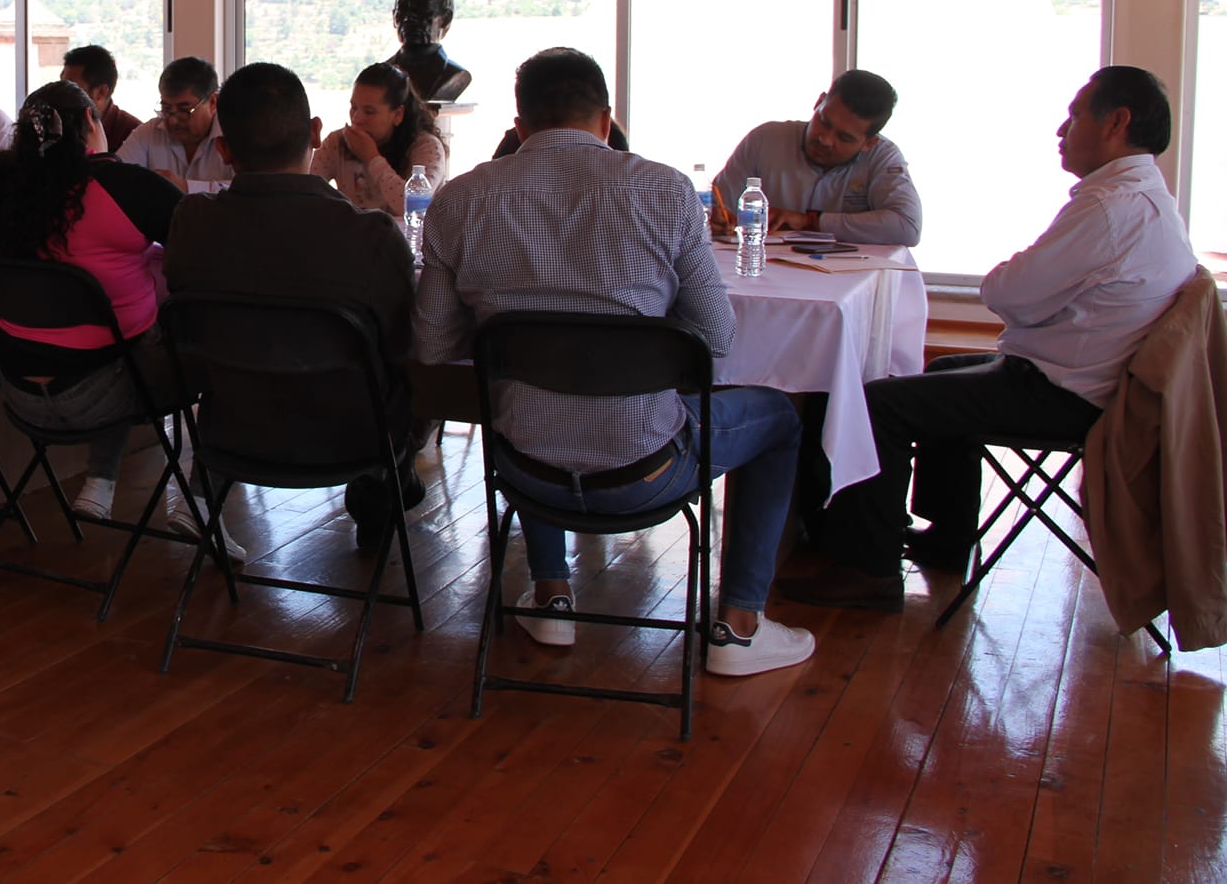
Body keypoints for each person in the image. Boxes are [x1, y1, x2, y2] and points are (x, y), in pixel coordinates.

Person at [413, 47, 814, 677]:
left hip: (523, 470)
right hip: (645, 472)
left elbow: (433, 347)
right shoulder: (666, 191)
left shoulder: (460, 200)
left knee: (525, 398)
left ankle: (551, 597)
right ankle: (738, 628)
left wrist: (516, 335)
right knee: (780, 420)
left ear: (519, 129)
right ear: (606, 120)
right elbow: (714, 339)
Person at [782, 66, 1198, 612]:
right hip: (1100, 379)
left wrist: (1013, 279)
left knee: (877, 402)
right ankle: (949, 538)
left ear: (1116, 123)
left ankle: (867, 567)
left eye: (1075, 115)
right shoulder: (1144, 194)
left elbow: (1008, 294)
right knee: (942, 372)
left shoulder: (1108, 207)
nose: (1061, 129)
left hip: (1070, 393)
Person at [0, 80, 242, 557]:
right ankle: (198, 501)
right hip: (106, 390)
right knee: (222, 357)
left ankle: (101, 484)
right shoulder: (122, 186)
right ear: (91, 123)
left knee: (119, 337)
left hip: (18, 392)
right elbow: (209, 253)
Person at [165, 63, 427, 548]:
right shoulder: (371, 236)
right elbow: (399, 348)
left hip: (230, 430)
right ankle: (387, 496)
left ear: (222, 151)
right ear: (314, 133)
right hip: (350, 437)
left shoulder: (192, 224)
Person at [710, 69, 921, 246]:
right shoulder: (765, 139)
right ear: (819, 102)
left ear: (869, 143)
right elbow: (717, 206)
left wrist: (809, 222)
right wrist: (717, 221)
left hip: (849, 279)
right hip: (763, 270)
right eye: (824, 121)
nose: (825, 139)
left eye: (844, 137)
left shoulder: (882, 157)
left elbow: (907, 228)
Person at [309, 63, 447, 216]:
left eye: (369, 112)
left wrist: (372, 158)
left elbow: (412, 208)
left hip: (408, 239)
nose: (357, 119)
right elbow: (305, 189)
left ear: (397, 115)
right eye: (354, 107)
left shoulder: (427, 147)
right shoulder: (338, 142)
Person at [115, 57, 234, 190]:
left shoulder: (234, 135)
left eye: (184, 110)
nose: (173, 120)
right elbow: (116, 179)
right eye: (166, 109)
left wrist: (187, 187)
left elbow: (249, 191)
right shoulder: (148, 133)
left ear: (213, 102)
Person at [385, 0, 471, 103]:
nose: (408, 19)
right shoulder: (381, 73)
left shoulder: (452, 74)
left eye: (421, 11)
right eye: (402, 11)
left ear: (445, 19)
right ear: (394, 17)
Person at [60, 44, 143, 155]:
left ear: (101, 92)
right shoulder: (57, 126)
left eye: (72, 88)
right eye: (61, 85)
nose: (63, 94)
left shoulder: (134, 135)